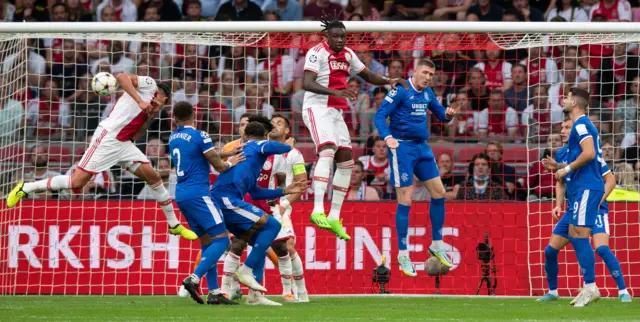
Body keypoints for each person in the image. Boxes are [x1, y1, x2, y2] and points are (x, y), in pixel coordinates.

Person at [6, 73, 198, 241]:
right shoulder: (150, 85)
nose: (163, 105)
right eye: (165, 101)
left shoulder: (153, 108)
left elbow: (137, 135)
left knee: (154, 177)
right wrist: (140, 101)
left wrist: (150, 115)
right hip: (108, 137)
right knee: (77, 182)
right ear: (164, 95)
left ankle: (174, 224)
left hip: (123, 144)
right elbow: (122, 77)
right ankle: (26, 187)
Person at [302, 18, 408, 241]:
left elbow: (369, 76)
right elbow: (307, 83)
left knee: (347, 162)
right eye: (336, 36)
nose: (340, 40)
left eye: (343, 36)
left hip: (336, 112)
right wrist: (335, 92)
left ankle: (334, 216)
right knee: (328, 151)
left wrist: (390, 80)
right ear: (327, 37)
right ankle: (317, 209)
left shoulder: (349, 54)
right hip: (317, 107)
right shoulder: (316, 52)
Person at [374, 59, 456, 277]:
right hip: (402, 148)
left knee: (440, 193)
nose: (429, 77)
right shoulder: (401, 90)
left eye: (432, 74)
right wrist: (387, 137)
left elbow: (440, 115)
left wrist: (448, 114)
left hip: (422, 148)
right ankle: (402, 253)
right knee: (406, 200)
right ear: (416, 71)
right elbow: (380, 115)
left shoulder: (428, 93)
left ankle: (437, 244)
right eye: (426, 73)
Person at [210, 119, 306, 306]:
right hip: (227, 199)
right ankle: (244, 272)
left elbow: (255, 192)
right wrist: (288, 146)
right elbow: (279, 148)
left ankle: (254, 295)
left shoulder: (247, 156)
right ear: (264, 135)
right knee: (273, 225)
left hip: (222, 198)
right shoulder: (258, 145)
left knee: (258, 240)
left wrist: (284, 191)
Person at [540, 117, 631, 303]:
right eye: (562, 127)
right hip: (573, 209)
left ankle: (623, 291)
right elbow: (560, 181)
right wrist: (558, 204)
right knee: (550, 251)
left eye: (567, 127)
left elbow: (611, 180)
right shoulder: (563, 154)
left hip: (595, 208)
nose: (563, 131)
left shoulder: (589, 153)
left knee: (602, 249)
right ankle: (553, 292)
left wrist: (597, 201)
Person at [169, 101, 244, 305]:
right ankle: (193, 278)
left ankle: (214, 292)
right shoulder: (200, 135)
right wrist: (230, 162)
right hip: (199, 194)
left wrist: (227, 152)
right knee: (223, 241)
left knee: (208, 243)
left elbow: (198, 154)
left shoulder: (174, 137)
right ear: (194, 113)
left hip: (181, 194)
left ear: (174, 117)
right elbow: (219, 167)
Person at [553, 88, 606, 306]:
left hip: (587, 187)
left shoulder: (582, 124)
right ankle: (588, 286)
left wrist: (565, 171)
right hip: (584, 186)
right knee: (576, 233)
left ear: (574, 101)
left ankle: (591, 287)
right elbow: (582, 157)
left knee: (581, 235)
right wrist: (559, 166)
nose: (563, 100)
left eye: (566, 97)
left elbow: (590, 153)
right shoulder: (581, 125)